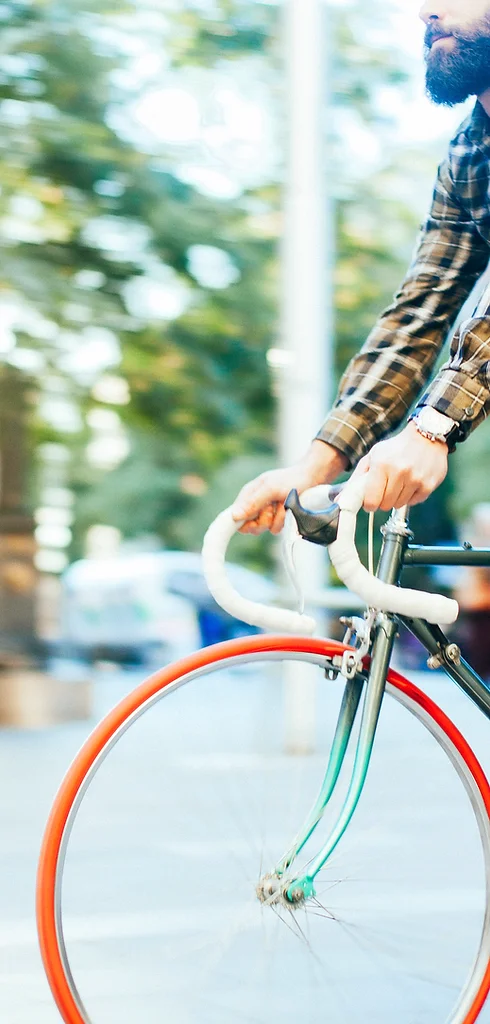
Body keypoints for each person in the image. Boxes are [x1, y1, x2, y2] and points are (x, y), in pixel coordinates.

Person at [232, 1, 490, 535]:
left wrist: (431, 428)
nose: (427, 13)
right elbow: (419, 311)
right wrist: (314, 468)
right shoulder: (469, 155)